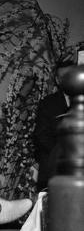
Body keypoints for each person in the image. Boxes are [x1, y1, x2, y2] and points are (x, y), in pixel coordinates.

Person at [34, 60, 73, 191]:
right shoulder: (48, 103)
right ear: (57, 80)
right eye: (62, 77)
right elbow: (42, 135)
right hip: (53, 168)